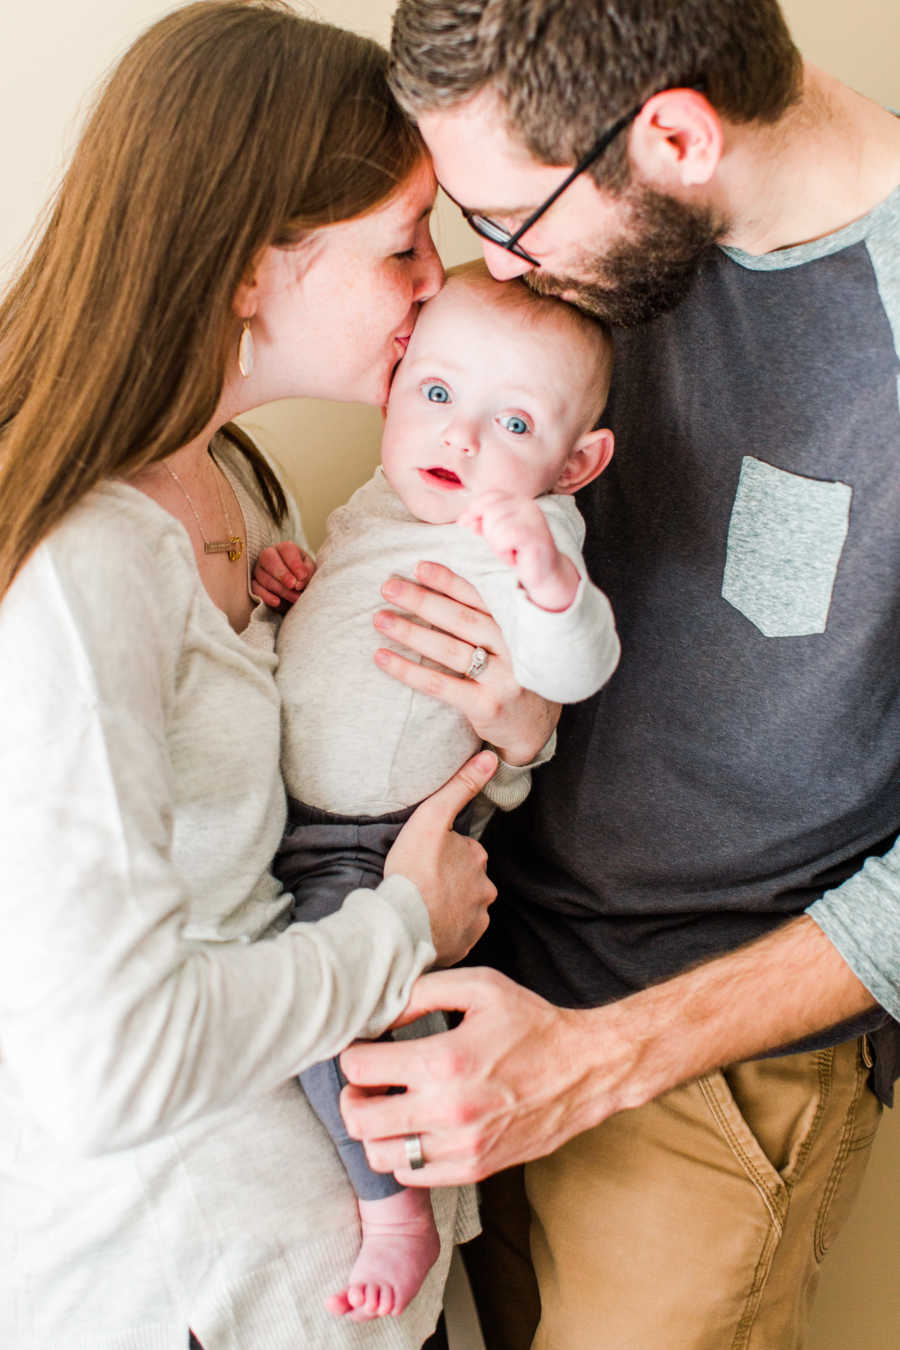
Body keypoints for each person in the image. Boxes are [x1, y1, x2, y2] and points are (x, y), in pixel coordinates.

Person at [335, 2, 900, 1347]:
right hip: (462, 973)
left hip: (700, 1068)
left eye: (506, 220)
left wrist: (601, 1062)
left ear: (674, 133)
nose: (492, 265)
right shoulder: (613, 252)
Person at [0, 4, 556, 1347]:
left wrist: (509, 728)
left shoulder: (240, 488)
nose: (438, 282)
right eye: (400, 243)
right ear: (254, 268)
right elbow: (112, 1065)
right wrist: (402, 931)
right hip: (185, 1290)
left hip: (332, 1280)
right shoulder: (82, 572)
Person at [251, 258, 619, 1322]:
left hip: (373, 842)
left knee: (332, 994)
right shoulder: (381, 498)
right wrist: (299, 592)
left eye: (512, 425)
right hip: (290, 820)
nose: (460, 439)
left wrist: (551, 586)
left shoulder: (528, 539)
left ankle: (391, 1202)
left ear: (574, 463)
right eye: (440, 395)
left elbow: (572, 666)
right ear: (401, 378)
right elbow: (352, 632)